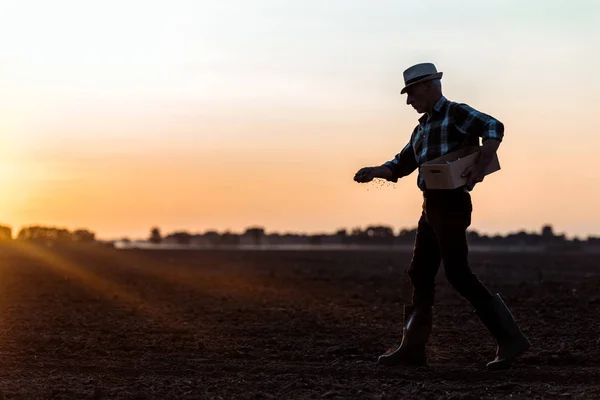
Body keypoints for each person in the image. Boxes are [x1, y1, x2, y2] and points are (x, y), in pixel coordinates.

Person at [354, 62, 531, 370]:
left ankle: (510, 340)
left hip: (451, 204)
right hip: (431, 207)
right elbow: (401, 164)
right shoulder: (421, 129)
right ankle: (412, 349)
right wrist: (374, 172)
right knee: (420, 273)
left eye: (411, 93)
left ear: (429, 86)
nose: (409, 101)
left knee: (458, 274)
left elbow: (493, 126)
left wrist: (483, 161)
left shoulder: (455, 113)